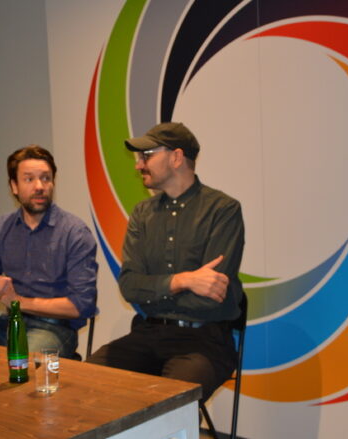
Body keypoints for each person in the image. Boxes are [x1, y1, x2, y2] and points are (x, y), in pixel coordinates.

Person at [88, 122, 245, 403]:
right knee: (87, 381)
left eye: (146, 155)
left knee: (170, 403)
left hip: (203, 342)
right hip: (148, 334)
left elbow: (211, 298)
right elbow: (130, 287)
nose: (138, 165)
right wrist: (183, 281)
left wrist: (154, 293)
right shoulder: (142, 214)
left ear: (176, 157)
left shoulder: (223, 210)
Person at [0, 145, 98, 358]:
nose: (39, 186)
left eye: (46, 178)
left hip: (55, 328)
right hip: (9, 322)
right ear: (14, 186)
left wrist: (18, 302)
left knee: (22, 360)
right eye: (29, 179)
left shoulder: (75, 232)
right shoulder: (3, 227)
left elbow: (82, 305)